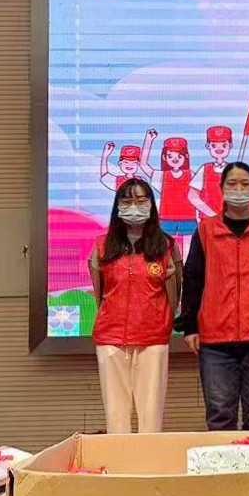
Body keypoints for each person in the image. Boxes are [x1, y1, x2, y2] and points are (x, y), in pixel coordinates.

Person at [177, 162, 249, 430]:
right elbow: (193, 281)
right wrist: (191, 326)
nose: (238, 189)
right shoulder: (206, 230)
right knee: (219, 416)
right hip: (215, 339)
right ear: (221, 189)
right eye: (232, 184)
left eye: (244, 184)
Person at [88, 178, 181, 433]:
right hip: (110, 337)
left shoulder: (166, 246)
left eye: (141, 201)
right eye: (127, 201)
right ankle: (119, 457)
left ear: (151, 205)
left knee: (151, 412)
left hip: (153, 338)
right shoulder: (102, 246)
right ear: (117, 206)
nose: (134, 207)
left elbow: (174, 293)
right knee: (115, 413)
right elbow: (99, 292)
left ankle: (148, 458)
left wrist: (164, 324)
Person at [156, 136, 197, 246]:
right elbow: (144, 165)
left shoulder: (191, 174)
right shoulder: (162, 176)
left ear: (186, 156)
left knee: (189, 246)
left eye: (179, 156)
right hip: (166, 218)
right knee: (167, 247)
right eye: (170, 156)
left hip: (188, 217)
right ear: (164, 157)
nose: (175, 159)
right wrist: (149, 140)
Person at [186, 125, 232, 220]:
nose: (219, 149)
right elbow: (192, 195)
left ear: (230, 146)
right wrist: (211, 214)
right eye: (214, 145)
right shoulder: (205, 169)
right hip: (208, 220)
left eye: (224, 145)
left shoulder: (234, 169)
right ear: (208, 146)